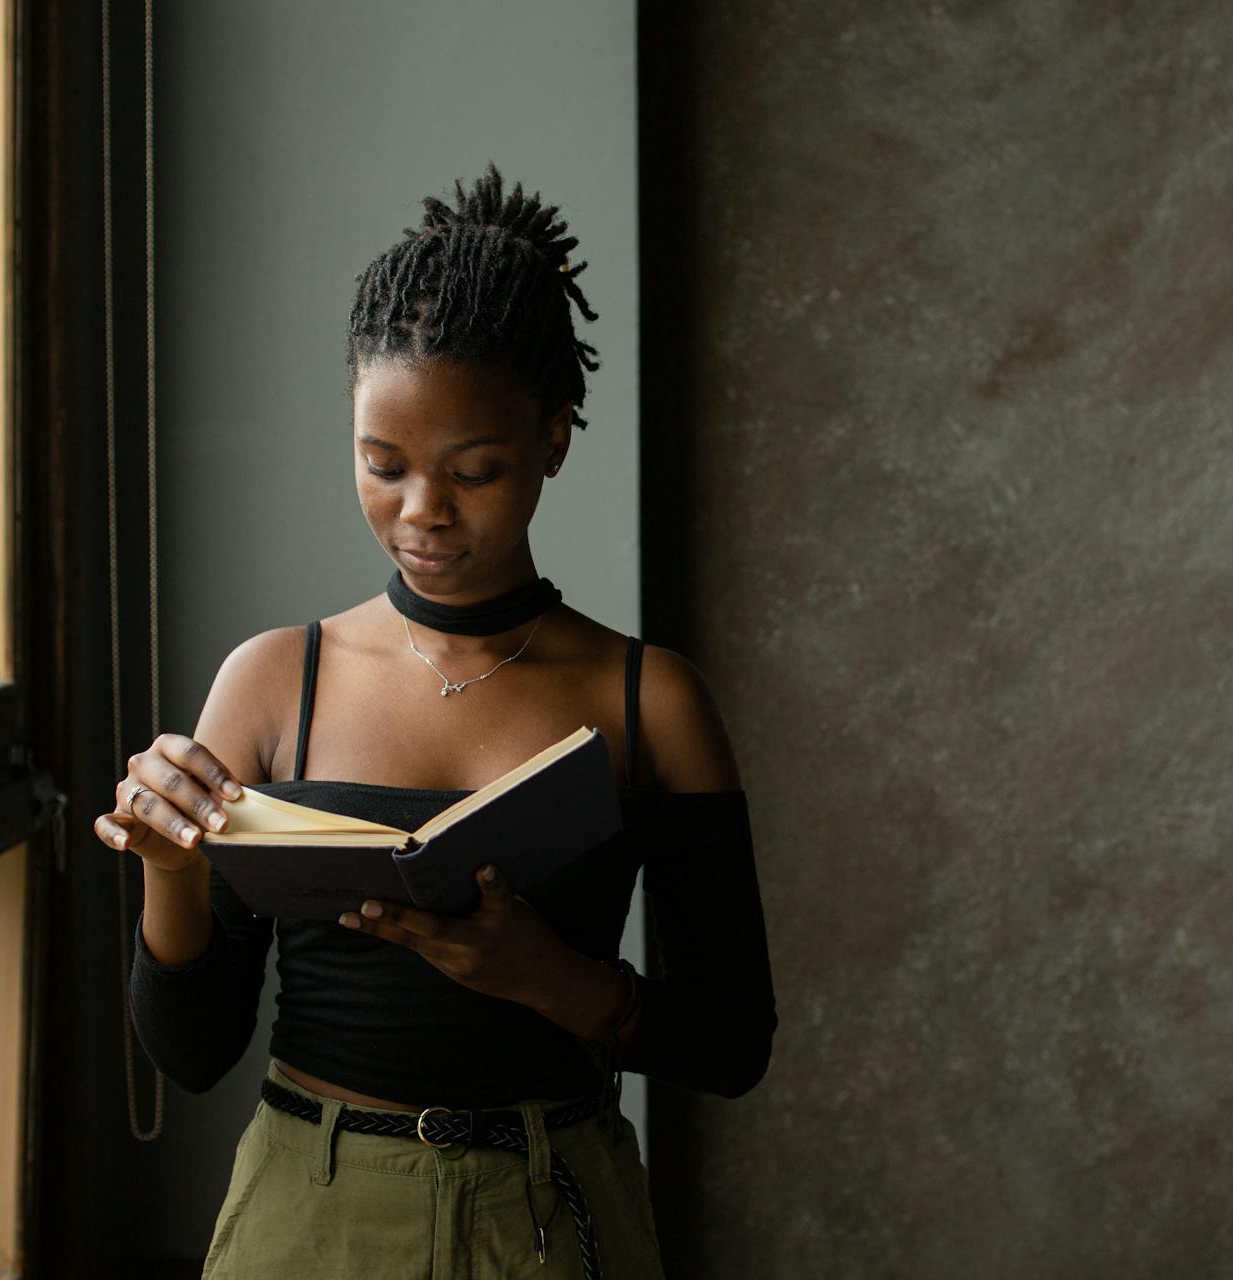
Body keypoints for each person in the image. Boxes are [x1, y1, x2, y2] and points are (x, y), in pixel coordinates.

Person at [93, 166, 777, 1279]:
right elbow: (193, 1049)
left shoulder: (650, 699)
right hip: (310, 1213)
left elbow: (733, 1042)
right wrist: (170, 871)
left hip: (551, 1208)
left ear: (554, 438)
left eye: (476, 470)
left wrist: (547, 977)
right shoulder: (274, 681)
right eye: (384, 465)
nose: (423, 512)